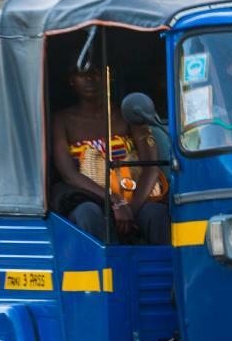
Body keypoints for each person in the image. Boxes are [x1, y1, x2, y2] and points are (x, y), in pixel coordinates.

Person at [51, 65, 170, 245]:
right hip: (90, 196)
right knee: (88, 214)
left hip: (134, 197)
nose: (90, 78)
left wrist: (131, 209)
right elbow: (69, 175)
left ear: (109, 76)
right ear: (71, 80)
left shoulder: (128, 113)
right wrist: (115, 202)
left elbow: (151, 167)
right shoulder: (61, 120)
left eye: (97, 71)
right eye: (82, 73)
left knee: (157, 214)